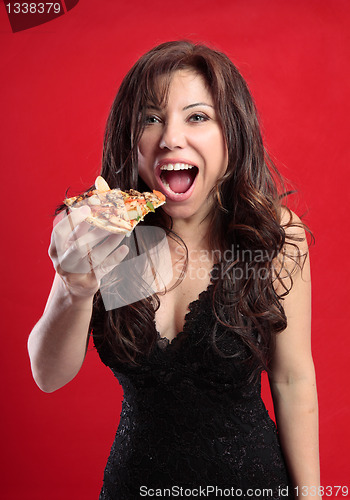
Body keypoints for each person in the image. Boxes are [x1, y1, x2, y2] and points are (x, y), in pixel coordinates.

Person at [28, 41, 320, 499]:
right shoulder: (108, 230)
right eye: (150, 118)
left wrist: (312, 497)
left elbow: (292, 378)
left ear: (232, 134)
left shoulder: (269, 236)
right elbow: (48, 376)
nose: (170, 138)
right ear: (131, 139)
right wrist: (75, 288)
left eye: (197, 117)